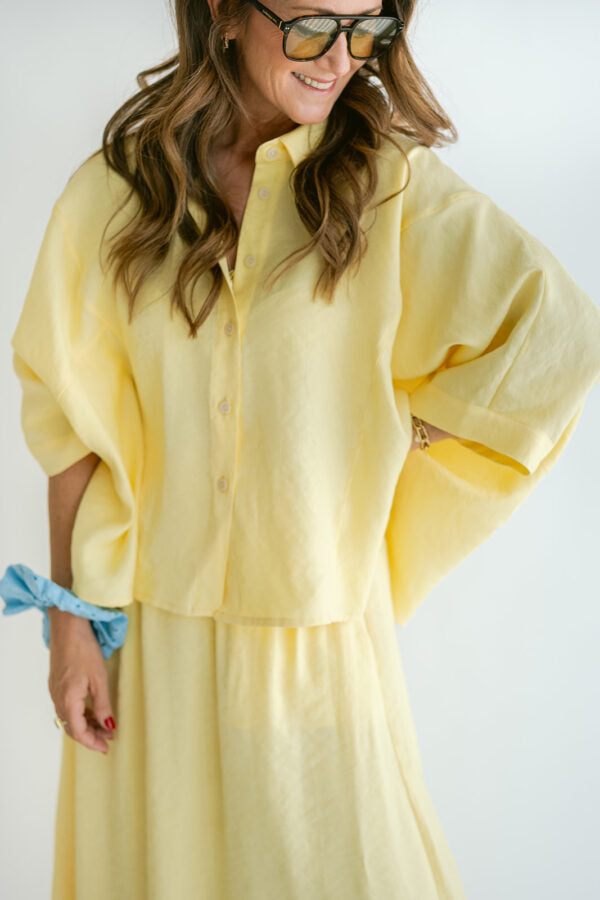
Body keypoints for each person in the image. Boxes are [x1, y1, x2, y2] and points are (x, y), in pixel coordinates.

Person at [3, 0, 600, 897]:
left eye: (367, 31)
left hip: (316, 648)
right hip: (153, 647)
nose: (340, 61)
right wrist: (68, 625)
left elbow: (555, 334)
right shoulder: (118, 192)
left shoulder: (390, 188)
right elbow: (70, 424)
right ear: (225, 13)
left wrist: (397, 434)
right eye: (314, 26)